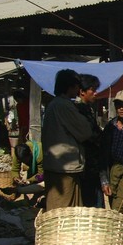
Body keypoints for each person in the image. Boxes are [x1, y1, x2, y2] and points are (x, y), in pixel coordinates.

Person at [41, 69, 93, 210]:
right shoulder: (64, 105)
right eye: (76, 87)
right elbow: (85, 131)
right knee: (63, 210)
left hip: (56, 165)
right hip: (64, 167)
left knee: (63, 208)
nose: (78, 91)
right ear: (70, 87)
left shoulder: (53, 105)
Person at [75, 73, 102, 207]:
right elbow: (89, 135)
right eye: (93, 89)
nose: (96, 93)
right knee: (91, 202)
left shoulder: (87, 109)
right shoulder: (80, 109)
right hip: (87, 163)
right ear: (82, 91)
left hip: (92, 163)